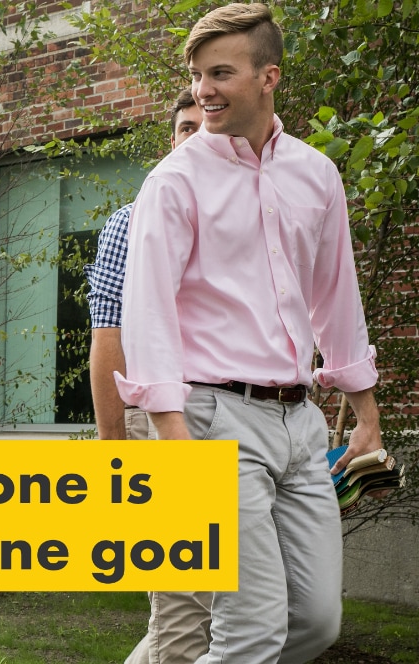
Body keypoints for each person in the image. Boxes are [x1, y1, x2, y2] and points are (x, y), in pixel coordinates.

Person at [117, 4, 382, 661]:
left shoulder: (316, 174)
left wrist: (366, 415)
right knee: (252, 631)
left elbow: (336, 297)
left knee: (315, 624)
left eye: (221, 73)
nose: (204, 89)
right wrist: (170, 432)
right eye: (197, 74)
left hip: (301, 426)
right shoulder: (174, 180)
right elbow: (144, 308)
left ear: (269, 77)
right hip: (212, 421)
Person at [85, 89, 213, 664]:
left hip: (242, 420)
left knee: (235, 608)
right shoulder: (132, 222)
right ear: (172, 140)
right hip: (160, 425)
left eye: (204, 124)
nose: (195, 135)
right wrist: (113, 445)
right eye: (185, 127)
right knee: (183, 605)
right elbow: (108, 335)